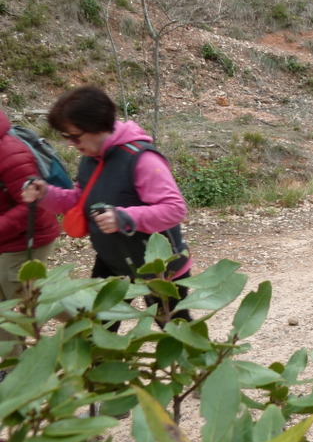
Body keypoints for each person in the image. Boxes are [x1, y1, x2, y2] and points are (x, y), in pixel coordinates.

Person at [22, 85, 192, 328]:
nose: (71, 143)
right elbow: (81, 202)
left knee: (176, 330)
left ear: (96, 126)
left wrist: (124, 218)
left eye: (75, 136)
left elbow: (175, 209)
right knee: (95, 329)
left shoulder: (142, 158)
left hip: (158, 265)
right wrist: (45, 194)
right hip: (113, 262)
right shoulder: (91, 159)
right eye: (66, 136)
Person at [0, 109, 61, 365]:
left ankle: (90, 322)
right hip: (7, 239)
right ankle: (12, 367)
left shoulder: (10, 153)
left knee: (36, 299)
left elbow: (31, 206)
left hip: (27, 240)